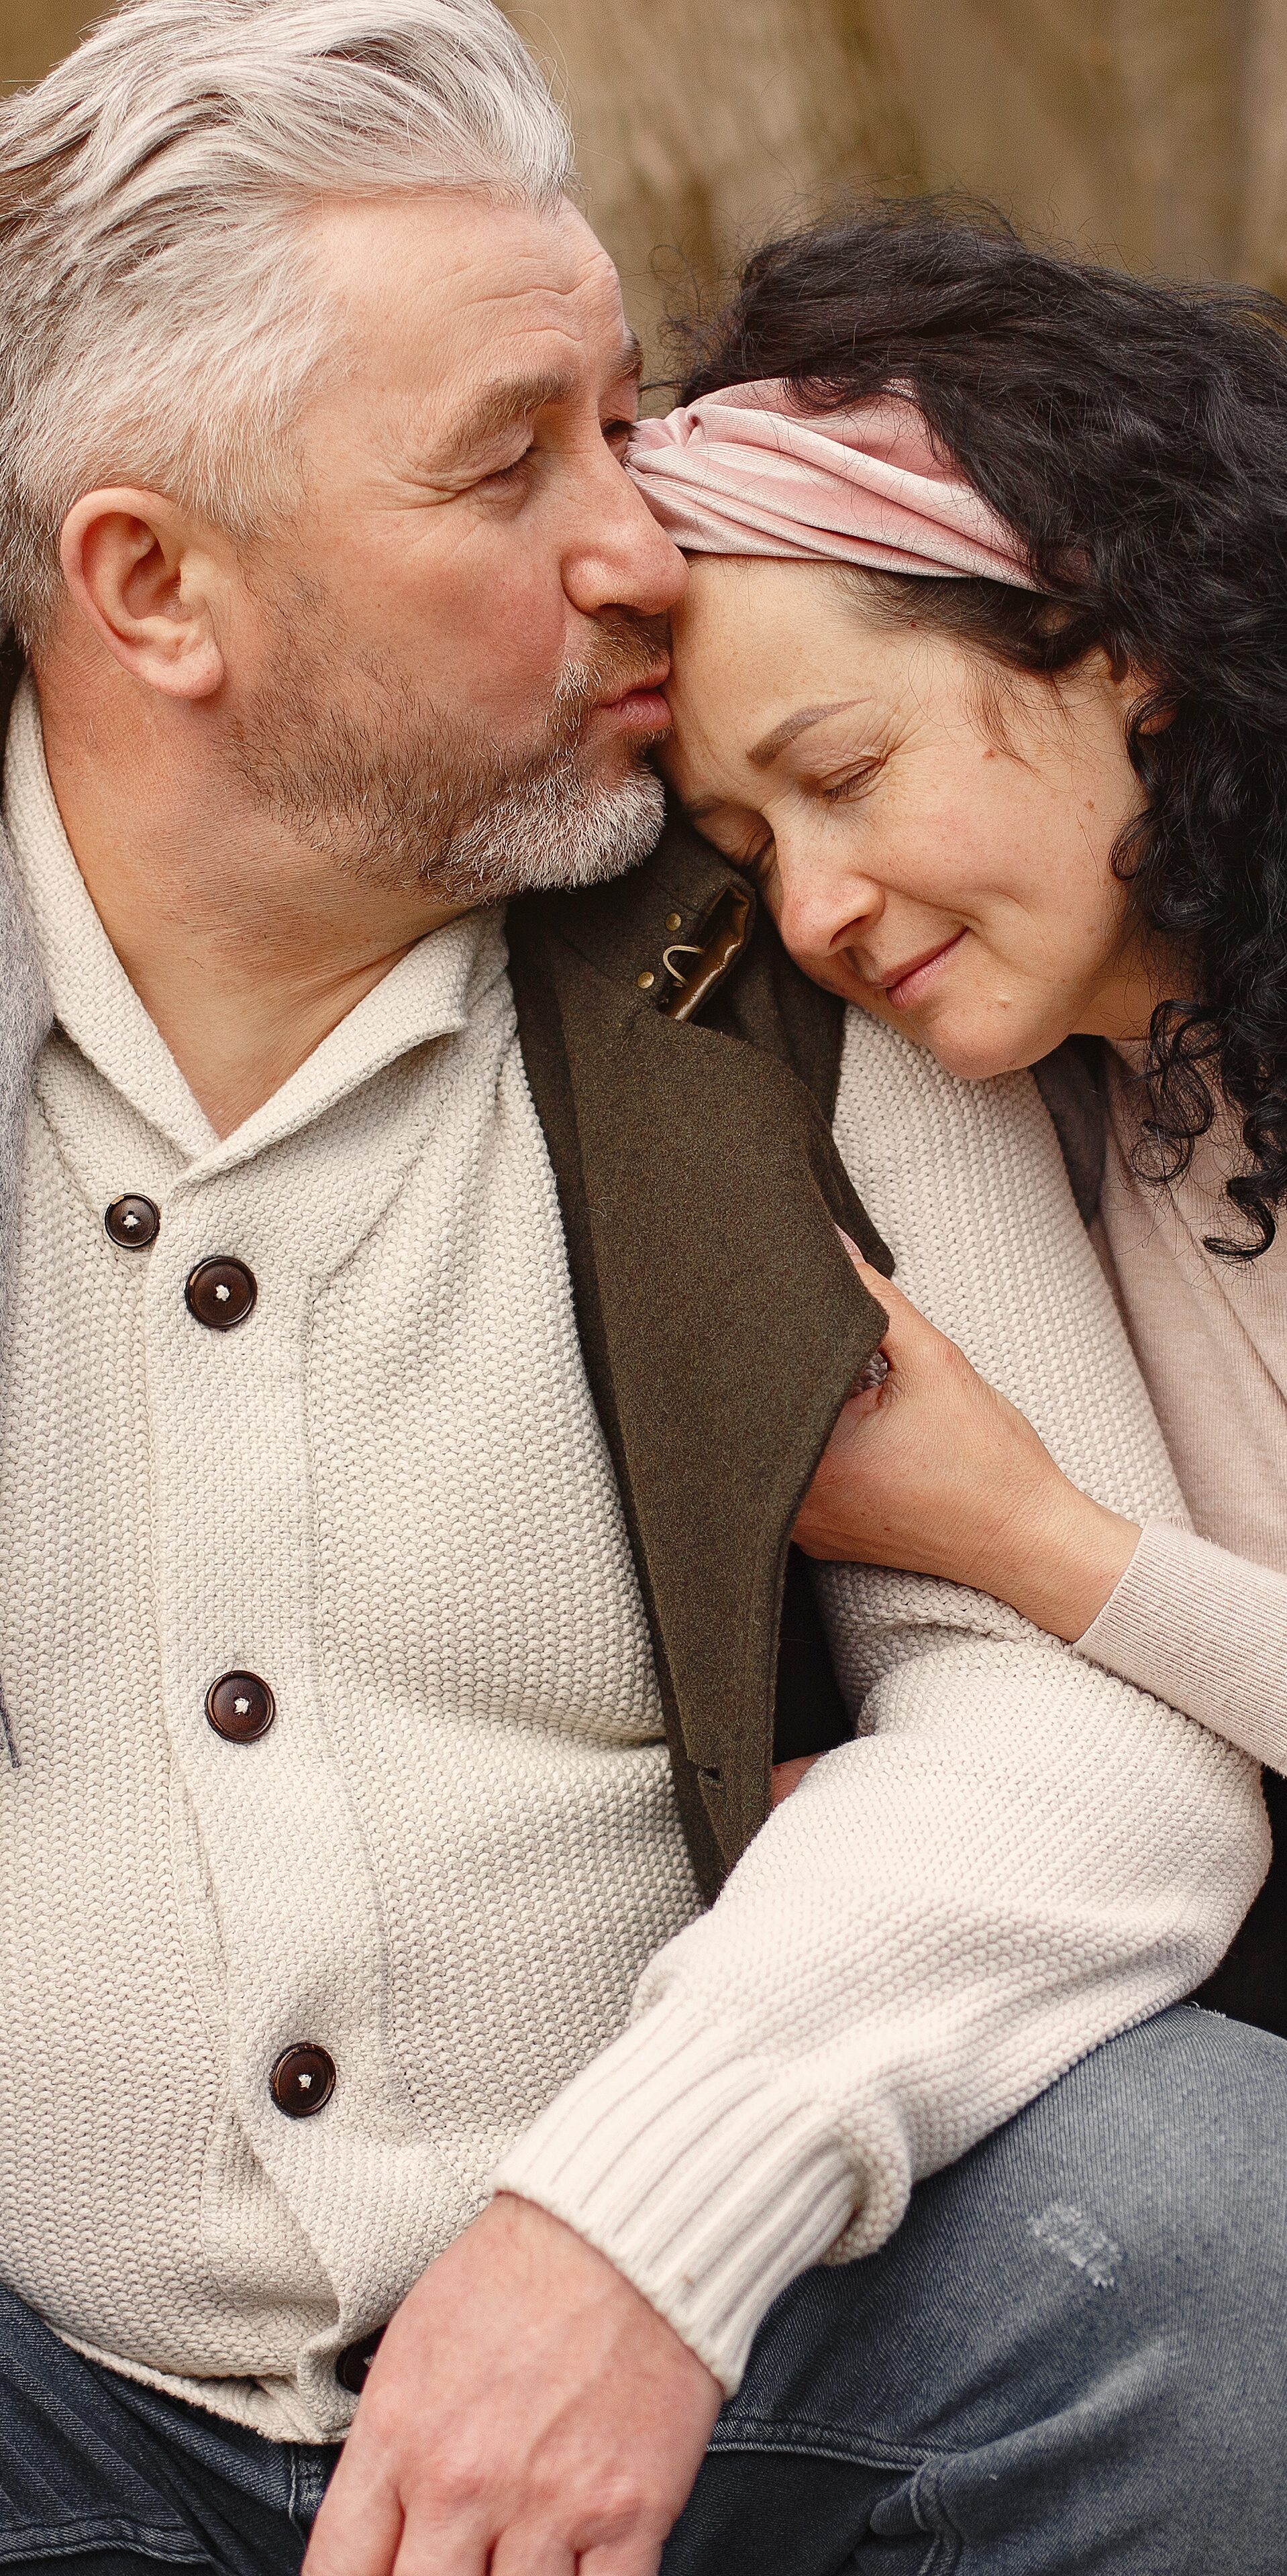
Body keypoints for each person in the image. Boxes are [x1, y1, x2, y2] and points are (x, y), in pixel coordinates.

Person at [0, 15, 1278, 2567]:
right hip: (57, 2396)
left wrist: (639, 2225)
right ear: (154, 587)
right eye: (514, 462)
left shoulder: (784, 959)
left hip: (770, 2340)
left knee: (1224, 2242)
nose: (644, 548)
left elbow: (1095, 1737)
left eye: (623, 420)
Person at [635, 201, 1287, 2033]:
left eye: (845, 773)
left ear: (1121, 642)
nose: (812, 911)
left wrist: (1026, 1536)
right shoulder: (1094, 1111)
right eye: (749, 849)